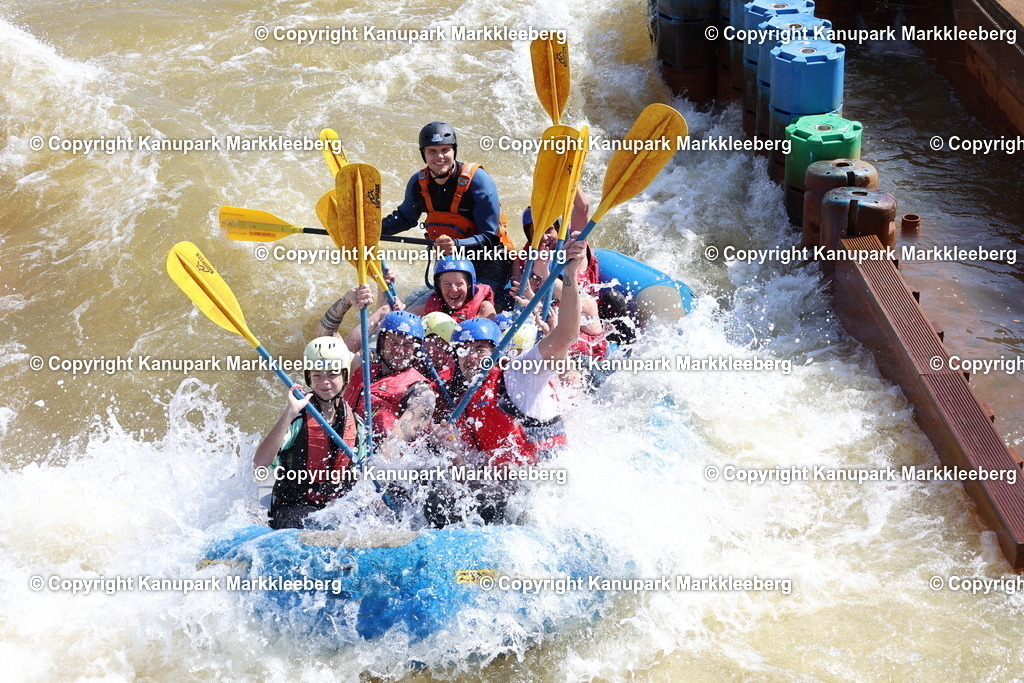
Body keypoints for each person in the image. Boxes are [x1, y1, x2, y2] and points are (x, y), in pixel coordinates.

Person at [381, 122, 515, 296]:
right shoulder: (418, 183)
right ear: (423, 154)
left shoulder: (478, 181)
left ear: (454, 151)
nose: (440, 157)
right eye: (432, 151)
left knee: (477, 303)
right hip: (452, 263)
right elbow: (405, 218)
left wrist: (457, 245)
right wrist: (371, 229)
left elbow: (490, 235)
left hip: (490, 258)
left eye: (445, 150)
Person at [254, 337, 360, 530]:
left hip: (336, 507)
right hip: (295, 504)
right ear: (308, 377)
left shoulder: (356, 423)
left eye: (332, 374)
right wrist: (289, 412)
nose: (324, 382)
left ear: (345, 375)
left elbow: (363, 470)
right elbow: (261, 460)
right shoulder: (299, 417)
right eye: (317, 375)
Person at [343, 310, 436, 443]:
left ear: (416, 350)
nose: (399, 351)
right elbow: (341, 350)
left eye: (407, 345)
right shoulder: (364, 370)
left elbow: (393, 449)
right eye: (393, 342)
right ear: (381, 343)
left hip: (383, 459)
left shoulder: (422, 393)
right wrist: (376, 315)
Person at [409, 257, 496, 322]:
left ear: (469, 285)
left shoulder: (484, 308)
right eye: (447, 284)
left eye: (459, 284)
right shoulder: (427, 308)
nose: (454, 289)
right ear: (439, 287)